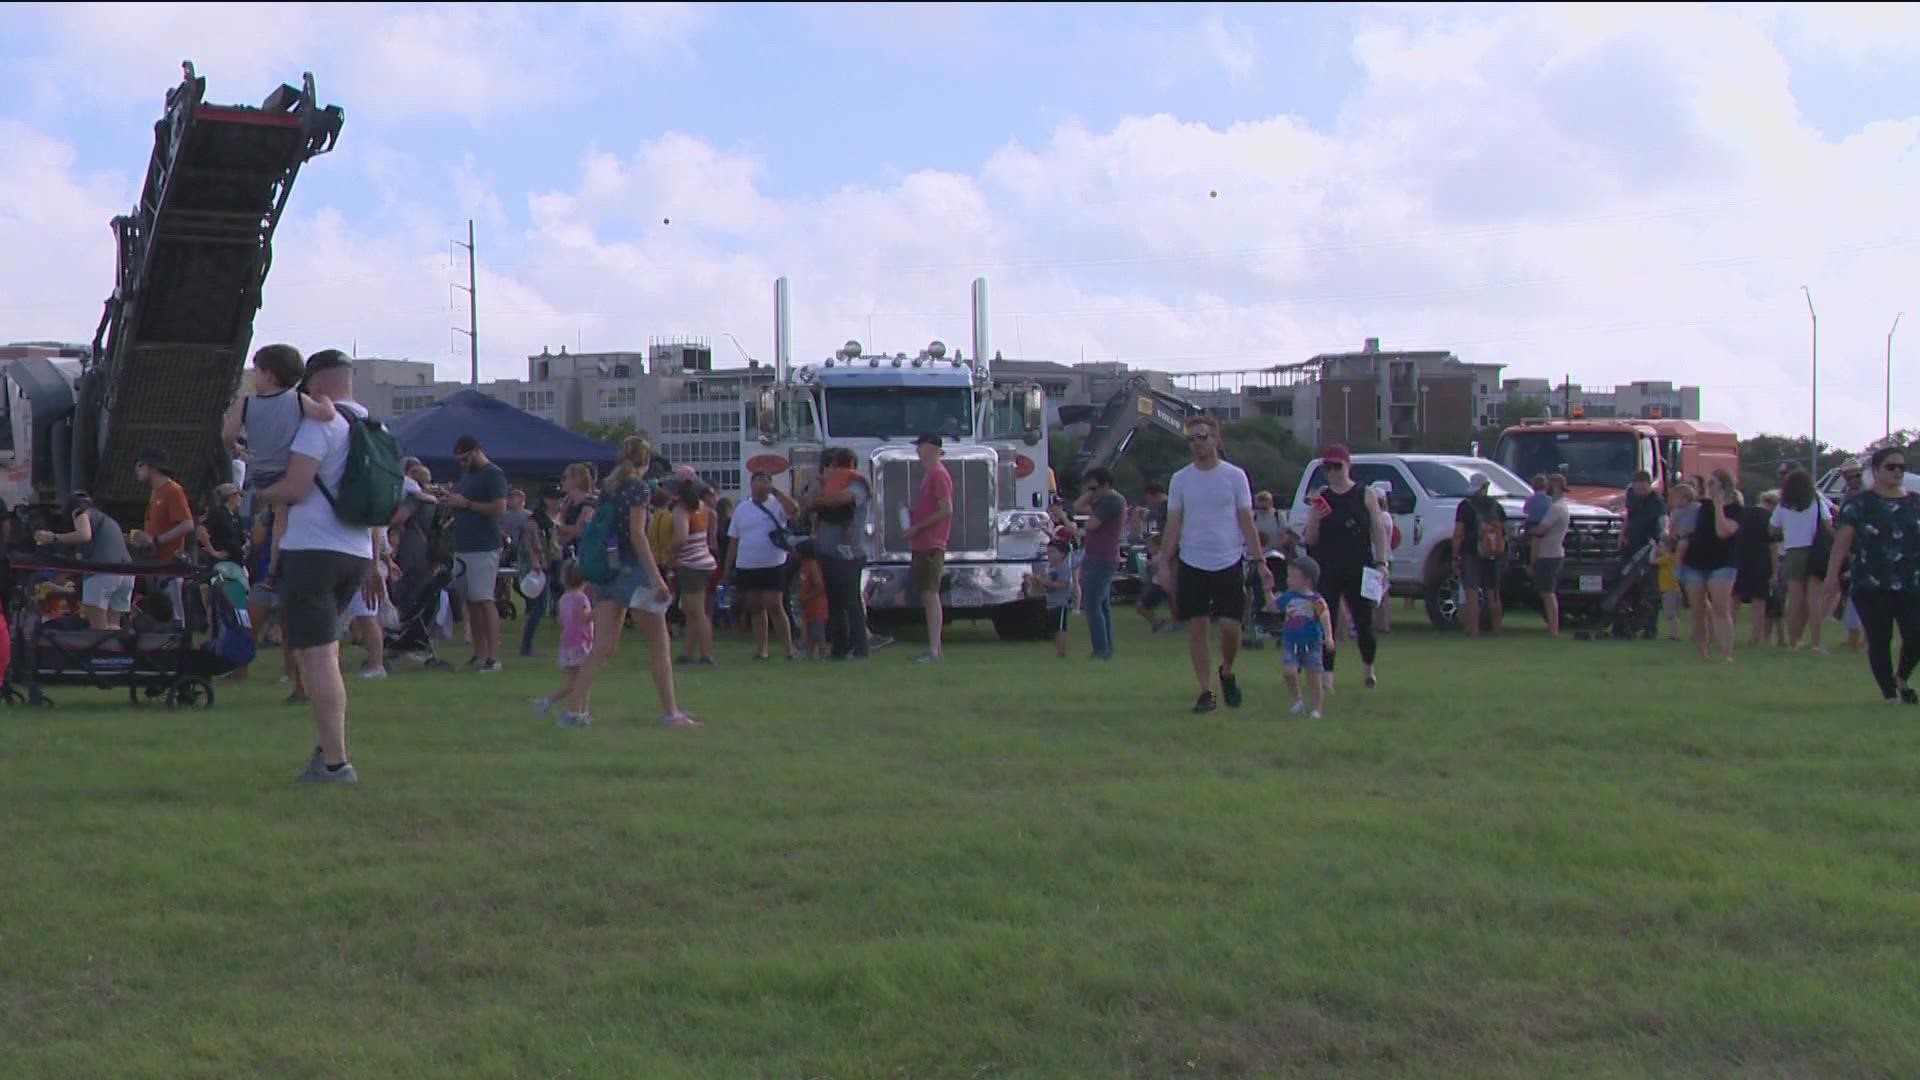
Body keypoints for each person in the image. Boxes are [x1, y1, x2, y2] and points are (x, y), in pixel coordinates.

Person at [255, 349, 380, 786]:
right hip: (356, 550)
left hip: (313, 550)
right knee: (328, 652)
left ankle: (335, 763)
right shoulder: (368, 424)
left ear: (316, 385)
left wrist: (260, 492)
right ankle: (328, 747)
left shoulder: (320, 425)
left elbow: (296, 486)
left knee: (318, 658)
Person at [559, 437, 692, 727]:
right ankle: (671, 713)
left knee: (603, 646)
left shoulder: (609, 488)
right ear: (646, 463)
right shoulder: (638, 489)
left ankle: (575, 710)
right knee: (659, 644)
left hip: (610, 570)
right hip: (635, 572)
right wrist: (657, 578)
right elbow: (637, 534)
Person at [1157, 415, 1272, 713]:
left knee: (1230, 628)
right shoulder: (1180, 479)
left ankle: (1228, 670)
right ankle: (1206, 691)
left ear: (1216, 439)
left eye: (1202, 437)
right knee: (1197, 626)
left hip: (1229, 559)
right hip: (1193, 559)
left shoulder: (1235, 477)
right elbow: (1173, 523)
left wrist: (1259, 561)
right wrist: (1164, 562)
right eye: (1191, 439)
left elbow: (1246, 521)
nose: (1197, 443)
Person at [222, 342, 337, 588]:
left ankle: (255, 560)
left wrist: (239, 449)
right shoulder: (297, 400)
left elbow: (227, 435)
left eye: (257, 371)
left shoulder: (246, 402)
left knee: (261, 518)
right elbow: (326, 415)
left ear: (270, 375)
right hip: (286, 473)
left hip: (258, 473)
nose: (254, 377)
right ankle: (274, 572)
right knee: (281, 522)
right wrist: (326, 399)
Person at [1824, 445, 1920, 703]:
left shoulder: (1914, 501)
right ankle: (1889, 694)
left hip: (1910, 581)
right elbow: (1842, 542)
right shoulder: (1859, 504)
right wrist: (1832, 576)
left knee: (1915, 635)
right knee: (1879, 638)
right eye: (1891, 467)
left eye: (1901, 467)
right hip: (1871, 582)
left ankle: (1901, 677)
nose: (1897, 471)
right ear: (1876, 471)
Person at [1304, 444, 1387, 690]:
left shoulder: (1365, 494)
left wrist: (1382, 563)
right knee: (1325, 620)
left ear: (1347, 466)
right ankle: (1327, 674)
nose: (1332, 472)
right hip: (1328, 566)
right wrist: (1316, 520)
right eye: (1327, 467)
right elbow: (1310, 539)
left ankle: (1368, 669)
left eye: (1337, 466)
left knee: (1364, 621)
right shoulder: (1322, 496)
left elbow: (1378, 531)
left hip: (1360, 565)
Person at [441, 433, 510, 672]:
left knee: (484, 599)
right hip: (463, 545)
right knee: (470, 602)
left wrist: (467, 504)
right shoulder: (467, 476)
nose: (462, 464)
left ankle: (493, 656)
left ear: (477, 451)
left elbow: (500, 508)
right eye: (459, 460)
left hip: (484, 546)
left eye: (465, 458)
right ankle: (479, 653)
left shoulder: (493, 474)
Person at [724, 471, 801, 661]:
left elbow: (794, 511)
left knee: (774, 604)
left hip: (773, 563)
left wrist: (776, 492)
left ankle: (788, 648)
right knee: (756, 606)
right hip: (748, 563)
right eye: (758, 481)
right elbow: (733, 540)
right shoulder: (742, 508)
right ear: (751, 485)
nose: (761, 485)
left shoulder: (777, 505)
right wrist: (727, 567)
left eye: (765, 481)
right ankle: (761, 649)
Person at [805, 448, 871, 661]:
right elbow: (806, 503)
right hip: (826, 550)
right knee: (834, 603)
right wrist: (819, 483)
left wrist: (820, 500)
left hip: (850, 552)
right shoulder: (823, 483)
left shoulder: (857, 483)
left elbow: (843, 499)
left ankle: (860, 648)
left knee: (852, 601)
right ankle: (839, 648)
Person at [35, 492, 133, 630]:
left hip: (103, 575)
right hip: (124, 576)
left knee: (99, 629)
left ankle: (101, 651)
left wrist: (53, 537)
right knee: (113, 626)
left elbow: (84, 535)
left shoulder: (79, 511)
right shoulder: (105, 519)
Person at [1678, 469, 1741, 663]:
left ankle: (1726, 654)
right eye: (1708, 484)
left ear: (1724, 486)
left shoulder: (1736, 510)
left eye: (1712, 483)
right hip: (1695, 562)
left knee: (1720, 608)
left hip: (1722, 563)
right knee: (1697, 610)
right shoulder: (1701, 507)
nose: (1708, 488)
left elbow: (1723, 532)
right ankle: (1702, 654)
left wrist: (1719, 506)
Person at [904, 433, 955, 663]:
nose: (918, 451)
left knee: (931, 594)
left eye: (921, 446)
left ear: (932, 448)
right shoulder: (929, 476)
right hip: (922, 542)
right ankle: (936, 648)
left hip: (932, 543)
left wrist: (919, 527)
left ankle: (934, 649)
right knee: (927, 594)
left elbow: (946, 509)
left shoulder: (938, 475)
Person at [1072, 466, 1127, 660]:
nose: (1090, 493)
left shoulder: (1112, 500)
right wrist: (1091, 493)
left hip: (1103, 558)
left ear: (1107, 485)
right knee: (1101, 605)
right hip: (1096, 556)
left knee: (1093, 605)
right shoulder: (1103, 501)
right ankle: (1106, 648)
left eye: (1094, 488)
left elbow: (1092, 524)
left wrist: (1088, 520)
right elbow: (1078, 506)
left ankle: (1101, 650)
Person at [135, 447, 195, 625]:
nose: (137, 469)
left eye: (140, 465)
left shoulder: (173, 490)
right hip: (155, 562)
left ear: (152, 467)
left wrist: (157, 540)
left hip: (170, 563)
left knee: (174, 613)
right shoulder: (155, 491)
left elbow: (187, 524)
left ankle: (177, 645)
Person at [1271, 554, 1334, 719]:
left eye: (1293, 576)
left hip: (1312, 644)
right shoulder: (1288, 596)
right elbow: (1273, 606)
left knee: (1314, 677)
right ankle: (1297, 701)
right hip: (1291, 643)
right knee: (1289, 672)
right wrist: (1266, 590)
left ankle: (1317, 709)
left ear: (1307, 580)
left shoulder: (1316, 599)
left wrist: (1328, 636)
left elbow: (1325, 616)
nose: (1289, 579)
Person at [533, 563, 596, 724]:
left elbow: (563, 621)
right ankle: (575, 709)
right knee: (583, 680)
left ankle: (581, 712)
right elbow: (583, 619)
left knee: (572, 682)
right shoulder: (581, 598)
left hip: (567, 644)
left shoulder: (563, 599)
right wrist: (598, 611)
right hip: (580, 644)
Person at [1452, 472, 1507, 639]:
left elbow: (1458, 533)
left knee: (1472, 592)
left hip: (1471, 552)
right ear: (1486, 486)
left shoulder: (1465, 506)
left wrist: (1455, 555)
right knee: (1493, 593)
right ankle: (1497, 630)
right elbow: (1503, 533)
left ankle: (1474, 631)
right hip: (1494, 554)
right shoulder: (1497, 506)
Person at [671, 480, 720, 666]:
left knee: (697, 612)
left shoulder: (681, 510)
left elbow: (681, 538)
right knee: (691, 612)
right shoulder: (703, 508)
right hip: (705, 561)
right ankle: (688, 652)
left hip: (691, 564)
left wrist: (670, 553)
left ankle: (707, 654)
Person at [517, 488, 564, 658]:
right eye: (555, 499)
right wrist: (535, 561)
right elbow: (530, 544)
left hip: (552, 565)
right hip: (539, 569)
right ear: (546, 500)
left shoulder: (553, 519)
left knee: (556, 601)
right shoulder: (534, 521)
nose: (559, 503)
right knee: (539, 607)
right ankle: (526, 646)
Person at [1621, 469, 1667, 637]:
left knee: (1650, 589)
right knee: (1629, 586)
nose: (1640, 492)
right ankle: (1629, 622)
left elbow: (1662, 524)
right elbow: (1629, 517)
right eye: (1637, 488)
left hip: (1649, 547)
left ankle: (1650, 627)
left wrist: (1661, 545)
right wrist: (1622, 535)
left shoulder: (1657, 502)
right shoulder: (1631, 496)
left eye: (1643, 489)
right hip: (1632, 546)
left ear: (1649, 486)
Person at [1735, 488, 1779, 646]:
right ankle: (1756, 638)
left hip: (1740, 559)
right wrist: (1775, 572)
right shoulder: (1770, 519)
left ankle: (1727, 633)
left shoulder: (1744, 514)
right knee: (1759, 601)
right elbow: (1773, 546)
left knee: (1735, 598)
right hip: (1761, 561)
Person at [1531, 473, 1571, 637]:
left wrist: (1529, 532)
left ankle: (1553, 629)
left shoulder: (1556, 508)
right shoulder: (1561, 506)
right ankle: (1552, 628)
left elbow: (1542, 529)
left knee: (1548, 593)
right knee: (1546, 592)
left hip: (1550, 554)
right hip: (1553, 553)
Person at [1026, 539, 1076, 658]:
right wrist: (1035, 581)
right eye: (1048, 552)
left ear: (1062, 554)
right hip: (1051, 603)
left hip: (1061, 603)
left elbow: (1064, 585)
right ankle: (1058, 650)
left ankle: (1062, 653)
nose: (1049, 554)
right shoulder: (1050, 568)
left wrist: (1045, 582)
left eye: (1053, 552)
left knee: (1060, 628)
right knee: (1053, 628)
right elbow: (1046, 585)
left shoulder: (1064, 568)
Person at [798, 550, 829, 660]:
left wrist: (807, 598)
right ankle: (809, 656)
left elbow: (819, 586)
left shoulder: (813, 565)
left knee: (818, 633)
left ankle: (822, 655)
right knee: (809, 633)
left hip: (817, 605)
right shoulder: (804, 565)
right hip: (808, 606)